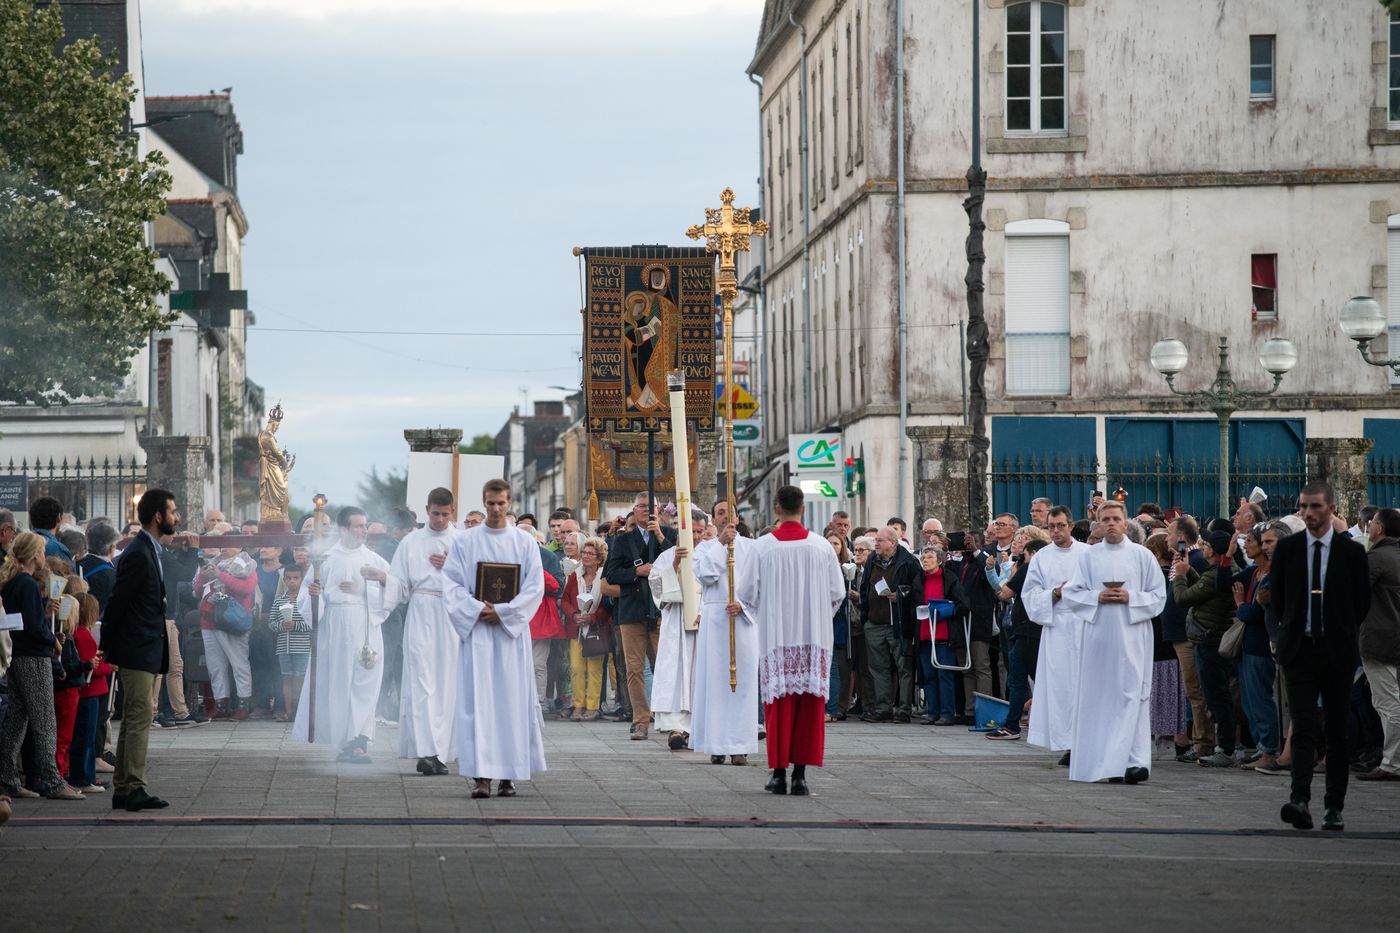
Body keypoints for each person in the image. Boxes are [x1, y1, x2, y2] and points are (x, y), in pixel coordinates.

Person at [1272, 482, 1371, 832]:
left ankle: (1334, 806)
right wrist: (1290, 632)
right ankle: (1299, 799)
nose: (1308, 513)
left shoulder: (1351, 552)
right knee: (1302, 726)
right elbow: (1280, 598)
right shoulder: (1288, 549)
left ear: (1330, 508)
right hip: (1300, 650)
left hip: (1336, 651)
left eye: (1315, 506)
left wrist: (1340, 630)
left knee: (1336, 730)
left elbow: (1361, 602)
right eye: (1303, 506)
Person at [442, 479, 546, 799]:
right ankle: (481, 775)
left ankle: (509, 774)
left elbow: (534, 587)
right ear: (484, 502)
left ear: (510, 503)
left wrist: (503, 612)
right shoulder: (466, 541)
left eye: (501, 503)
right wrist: (477, 610)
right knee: (479, 703)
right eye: (490, 503)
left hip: (510, 636)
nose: (496, 509)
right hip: (478, 634)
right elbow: (451, 584)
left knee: (511, 703)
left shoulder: (524, 542)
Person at [740, 485, 845, 796]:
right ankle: (800, 776)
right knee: (809, 708)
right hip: (813, 637)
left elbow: (746, 594)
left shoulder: (762, 547)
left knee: (779, 707)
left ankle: (778, 774)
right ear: (803, 508)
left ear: (777, 509)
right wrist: (817, 617)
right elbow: (837, 593)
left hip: (776, 637)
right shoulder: (821, 547)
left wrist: (766, 615)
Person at [1058, 502, 1166, 783]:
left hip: (1133, 637)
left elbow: (1158, 596)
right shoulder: (1090, 557)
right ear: (1098, 523)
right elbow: (1072, 593)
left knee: (1132, 695)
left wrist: (1132, 597)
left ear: (1126, 522)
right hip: (1099, 638)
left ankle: (1134, 761)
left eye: (1116, 518)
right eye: (1105, 519)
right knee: (1101, 698)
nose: (1111, 523)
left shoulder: (1142, 556)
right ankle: (1106, 762)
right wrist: (1097, 596)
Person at [292, 507, 402, 764]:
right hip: (336, 627)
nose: (364, 530)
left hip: (366, 626)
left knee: (366, 683)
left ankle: (360, 739)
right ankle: (346, 741)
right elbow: (306, 596)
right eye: (358, 526)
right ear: (344, 529)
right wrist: (315, 595)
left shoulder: (373, 559)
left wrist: (364, 589)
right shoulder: (326, 559)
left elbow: (395, 591)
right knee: (340, 683)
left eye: (365, 525)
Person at [103, 488, 182, 810]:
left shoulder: (151, 549)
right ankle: (133, 786)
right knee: (139, 717)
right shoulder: (139, 553)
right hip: (137, 646)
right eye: (173, 512)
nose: (177, 518)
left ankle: (124, 786)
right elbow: (119, 601)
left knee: (137, 716)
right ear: (158, 516)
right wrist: (106, 646)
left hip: (144, 645)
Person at [0, 532, 85, 800]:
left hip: (17, 655)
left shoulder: (12, 582)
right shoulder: (27, 583)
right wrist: (53, 640)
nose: (44, 555)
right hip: (33, 657)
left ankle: (7, 778)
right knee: (45, 719)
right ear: (34, 554)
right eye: (42, 550)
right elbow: (34, 628)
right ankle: (51, 779)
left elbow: (21, 620)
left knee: (17, 718)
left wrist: (45, 612)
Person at [391, 488, 461, 776]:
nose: (439, 520)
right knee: (421, 681)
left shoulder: (462, 542)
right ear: (426, 510)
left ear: (452, 512)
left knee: (446, 683)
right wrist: (379, 583)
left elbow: (477, 582)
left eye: (445, 514)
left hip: (451, 614)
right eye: (435, 514)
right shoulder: (411, 541)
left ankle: (440, 751)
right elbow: (398, 583)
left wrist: (452, 566)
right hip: (421, 610)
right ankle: (426, 751)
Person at [604, 493, 677, 740]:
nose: (646, 511)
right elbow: (612, 574)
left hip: (661, 610)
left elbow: (680, 564)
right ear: (634, 511)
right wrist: (636, 571)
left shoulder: (670, 535)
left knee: (664, 666)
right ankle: (641, 720)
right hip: (631, 610)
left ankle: (670, 719)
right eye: (642, 507)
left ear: (659, 511)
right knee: (634, 669)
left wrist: (660, 537)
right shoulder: (624, 540)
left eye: (651, 507)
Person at [1022, 505, 1091, 764]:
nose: (1056, 531)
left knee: (1085, 685)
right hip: (1058, 629)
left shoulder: (1087, 554)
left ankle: (1086, 741)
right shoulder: (1041, 557)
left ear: (1070, 526)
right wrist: (1055, 593)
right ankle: (1067, 743)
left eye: (1061, 526)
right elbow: (1029, 594)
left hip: (1084, 626)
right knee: (1062, 688)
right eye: (1051, 526)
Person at [691, 519, 759, 764]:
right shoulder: (705, 548)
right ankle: (716, 744)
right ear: (714, 519)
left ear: (736, 518)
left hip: (742, 620)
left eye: (728, 512)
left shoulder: (751, 547)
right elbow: (705, 576)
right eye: (719, 513)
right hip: (714, 620)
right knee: (715, 683)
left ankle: (740, 745)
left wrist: (743, 605)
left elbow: (760, 584)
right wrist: (720, 544)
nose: (724, 517)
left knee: (743, 683)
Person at [1172, 530, 1240, 768]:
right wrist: (1189, 570)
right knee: (1216, 696)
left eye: (1206, 544)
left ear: (1213, 550)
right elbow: (1202, 588)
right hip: (1209, 639)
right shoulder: (1216, 572)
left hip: (1210, 641)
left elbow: (1183, 598)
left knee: (1218, 697)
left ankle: (1225, 748)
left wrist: (1180, 576)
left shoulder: (1218, 574)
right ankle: (1222, 747)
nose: (1203, 547)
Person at [649, 511, 708, 750]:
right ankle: (676, 727)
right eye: (691, 531)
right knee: (675, 673)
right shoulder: (666, 556)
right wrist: (674, 566)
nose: (696, 536)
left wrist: (706, 611)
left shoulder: (711, 555)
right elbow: (656, 588)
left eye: (700, 531)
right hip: (675, 623)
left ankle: (699, 728)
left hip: (704, 623)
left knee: (699, 674)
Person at [986, 537, 1049, 739]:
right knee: (1040, 678)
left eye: (1024, 554)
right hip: (1040, 631)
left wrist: (1013, 572)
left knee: (1018, 679)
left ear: (1033, 554)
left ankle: (1012, 725)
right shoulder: (1049, 570)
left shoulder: (1028, 568)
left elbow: (1004, 593)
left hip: (1026, 631)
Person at [857, 527, 921, 723]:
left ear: (892, 543)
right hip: (874, 623)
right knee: (878, 668)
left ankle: (904, 709)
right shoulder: (872, 560)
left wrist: (901, 596)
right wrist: (866, 617)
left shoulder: (908, 562)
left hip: (898, 624)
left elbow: (917, 591)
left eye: (880, 540)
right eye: (876, 540)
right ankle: (883, 708)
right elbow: (865, 587)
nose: (876, 543)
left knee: (904, 668)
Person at [195, 531, 258, 720]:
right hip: (209, 621)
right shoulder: (211, 564)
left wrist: (220, 575)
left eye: (229, 543)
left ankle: (243, 704)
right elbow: (197, 591)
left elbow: (245, 589)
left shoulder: (247, 565)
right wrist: (203, 577)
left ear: (240, 547)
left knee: (239, 664)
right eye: (222, 543)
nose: (224, 548)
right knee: (215, 666)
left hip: (233, 622)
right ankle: (221, 704)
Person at [1358, 507, 1400, 782]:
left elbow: (1354, 591)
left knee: (1387, 703)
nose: (1368, 526)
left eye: (1372, 522)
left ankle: (1392, 762)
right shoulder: (1393, 554)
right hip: (1390, 636)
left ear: (1380, 529)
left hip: (1380, 638)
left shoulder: (1377, 557)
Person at [560, 536, 617, 721]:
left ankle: (592, 707)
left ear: (599, 558)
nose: (585, 556)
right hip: (576, 628)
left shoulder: (605, 577)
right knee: (576, 668)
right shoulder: (574, 575)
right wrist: (574, 614)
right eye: (584, 552)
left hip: (597, 628)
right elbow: (565, 600)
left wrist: (591, 617)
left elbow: (608, 604)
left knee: (594, 669)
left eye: (590, 553)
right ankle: (578, 706)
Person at [917, 546, 965, 727]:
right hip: (924, 633)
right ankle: (933, 712)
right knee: (929, 675)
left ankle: (947, 713)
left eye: (930, 557)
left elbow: (962, 604)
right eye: (924, 558)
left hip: (944, 633)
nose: (925, 560)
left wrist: (944, 609)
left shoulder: (949, 578)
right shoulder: (919, 579)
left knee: (945, 674)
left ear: (939, 561)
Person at [68, 594, 111, 793]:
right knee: (86, 737)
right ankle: (83, 778)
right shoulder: (83, 636)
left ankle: (88, 776)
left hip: (88, 692)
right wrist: (109, 667)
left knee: (87, 737)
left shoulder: (79, 634)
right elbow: (92, 667)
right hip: (90, 692)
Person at [268, 560, 310, 723]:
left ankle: (301, 712)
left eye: (296, 578)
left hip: (303, 646)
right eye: (289, 578)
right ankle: (288, 711)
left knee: (300, 678)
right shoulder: (279, 600)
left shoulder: (306, 599)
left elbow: (312, 623)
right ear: (284, 579)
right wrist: (281, 625)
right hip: (284, 646)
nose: (292, 581)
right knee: (287, 678)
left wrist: (296, 625)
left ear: (302, 579)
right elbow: (271, 623)